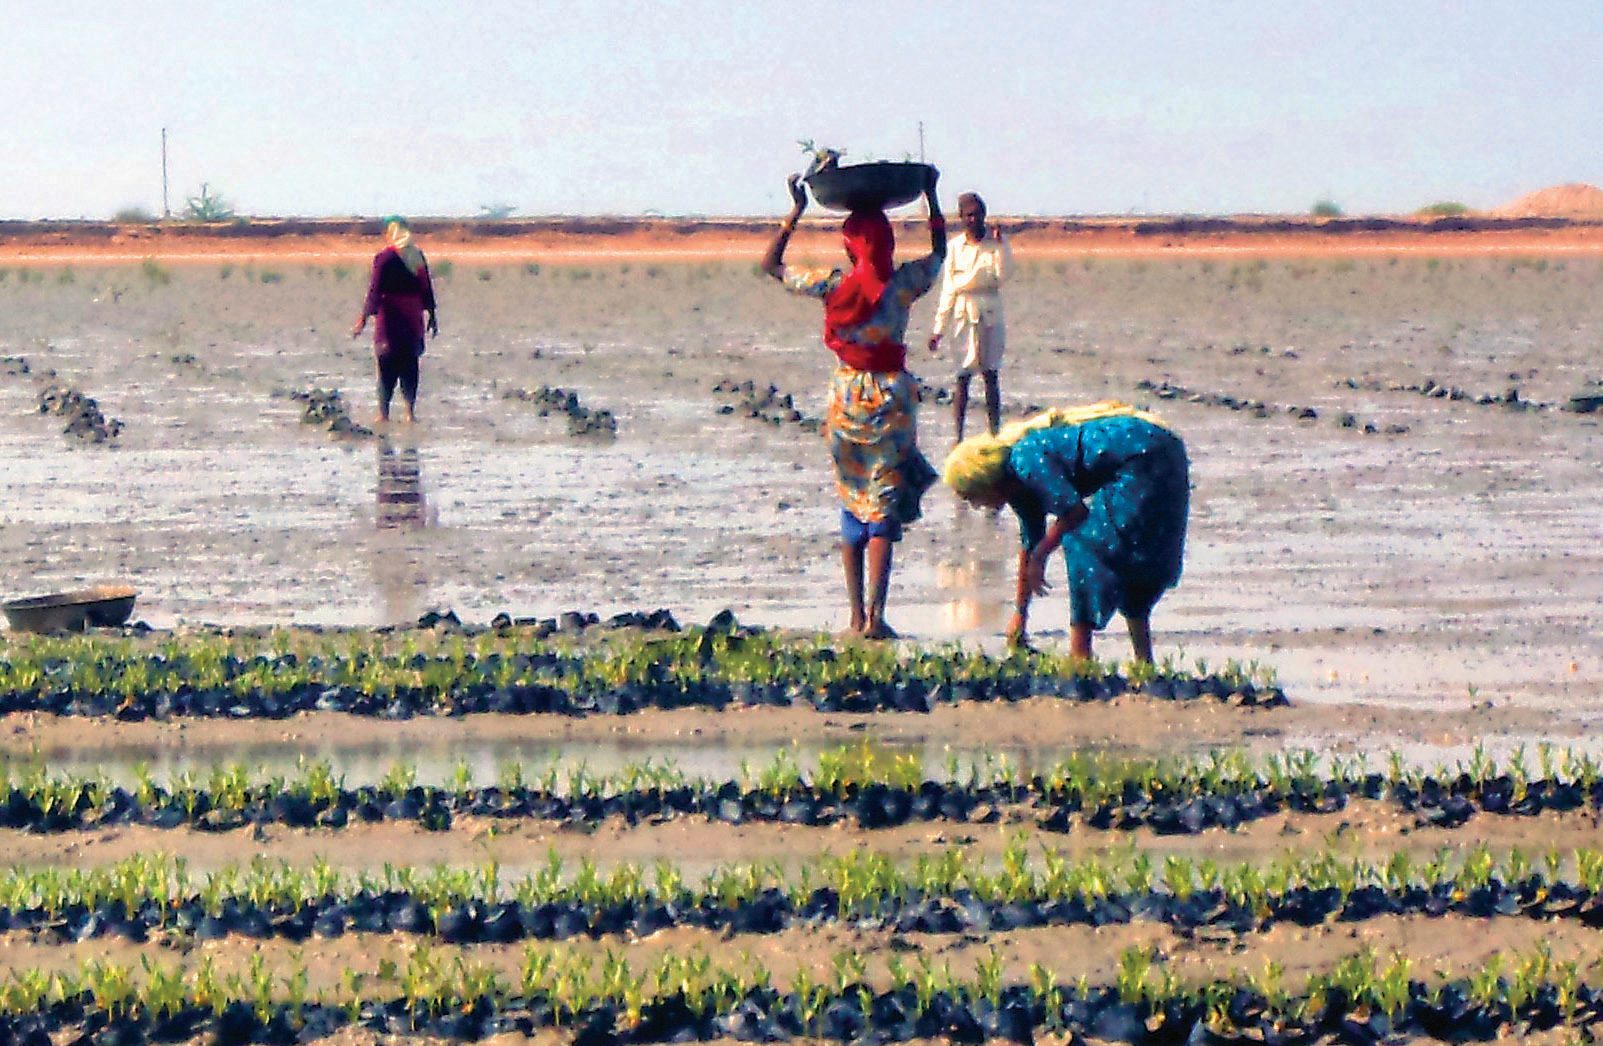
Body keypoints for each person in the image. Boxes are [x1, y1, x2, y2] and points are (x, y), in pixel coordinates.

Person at [762, 167, 947, 639]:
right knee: (882, 502)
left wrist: (795, 212)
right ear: (886, 243)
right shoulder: (904, 284)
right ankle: (875, 616)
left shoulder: (832, 285)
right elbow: (941, 252)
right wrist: (930, 195)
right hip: (891, 397)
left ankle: (851, 617)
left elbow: (772, 267)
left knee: (851, 499)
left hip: (846, 398)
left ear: (850, 245)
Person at [941, 402, 1189, 663]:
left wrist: (1042, 555)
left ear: (986, 481)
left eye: (973, 497)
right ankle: (1143, 661)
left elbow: (1074, 513)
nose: (977, 506)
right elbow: (1029, 545)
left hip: (1144, 455)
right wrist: (1019, 618)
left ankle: (1079, 658)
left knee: (1084, 545)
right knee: (1128, 557)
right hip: (1157, 450)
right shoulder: (1018, 486)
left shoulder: (1026, 461)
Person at [928, 192, 1012, 441]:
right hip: (963, 313)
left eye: (977, 214)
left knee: (990, 374)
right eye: (969, 215)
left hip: (989, 310)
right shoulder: (954, 247)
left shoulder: (996, 243)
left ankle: (994, 433)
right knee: (962, 376)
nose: (973, 219)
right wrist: (938, 329)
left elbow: (1004, 275)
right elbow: (948, 290)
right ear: (961, 217)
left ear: (984, 215)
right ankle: (958, 436)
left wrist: (1000, 246)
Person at [351, 217, 438, 424]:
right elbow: (426, 288)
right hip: (412, 316)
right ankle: (409, 412)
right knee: (410, 364)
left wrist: (362, 319)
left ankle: (383, 414)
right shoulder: (417, 256)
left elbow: (375, 289)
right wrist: (432, 315)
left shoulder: (384, 258)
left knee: (386, 365)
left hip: (390, 317)